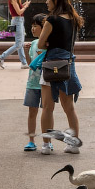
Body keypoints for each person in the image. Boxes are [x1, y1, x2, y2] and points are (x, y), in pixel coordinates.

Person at [37, 0, 84, 154]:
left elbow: (41, 44)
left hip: (51, 66)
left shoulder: (52, 20)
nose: (46, 2)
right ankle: (73, 145)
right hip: (68, 65)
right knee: (69, 107)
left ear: (55, 0)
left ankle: (47, 145)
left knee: (48, 107)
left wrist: (49, 43)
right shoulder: (74, 19)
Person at [23, 14, 56, 152]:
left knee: (47, 112)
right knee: (32, 111)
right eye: (32, 25)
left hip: (46, 83)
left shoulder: (49, 44)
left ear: (44, 28)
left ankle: (47, 140)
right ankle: (31, 140)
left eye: (35, 26)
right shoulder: (33, 44)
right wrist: (26, 51)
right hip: (32, 83)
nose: (32, 28)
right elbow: (31, 64)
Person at [0, 0, 31, 69]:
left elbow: (18, 9)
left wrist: (24, 4)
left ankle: (23, 63)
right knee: (19, 44)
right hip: (17, 21)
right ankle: (1, 57)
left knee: (20, 43)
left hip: (19, 20)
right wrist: (25, 7)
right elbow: (19, 12)